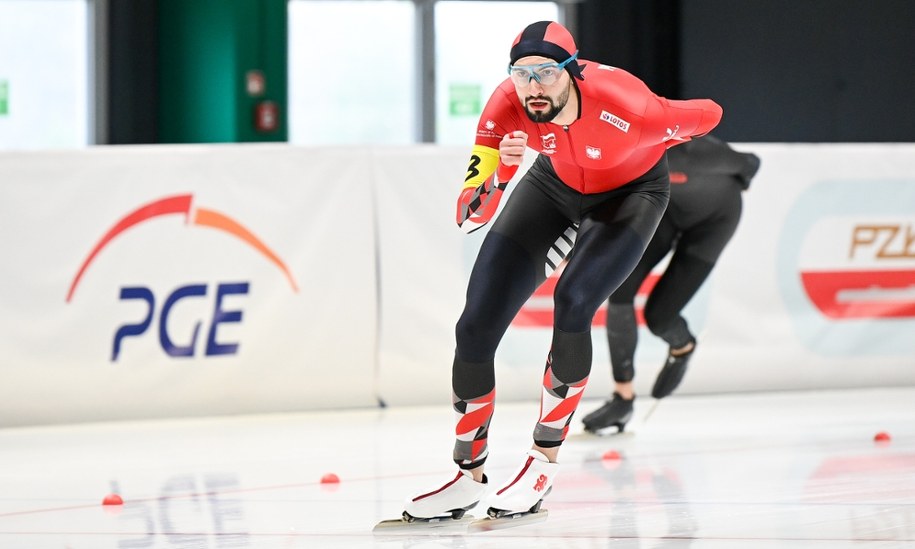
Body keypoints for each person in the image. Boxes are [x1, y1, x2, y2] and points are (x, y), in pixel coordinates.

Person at [401, 20, 722, 522]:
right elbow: (469, 216)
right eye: (522, 74)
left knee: (573, 302)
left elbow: (708, 114)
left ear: (573, 72)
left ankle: (542, 462)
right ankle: (467, 476)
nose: (532, 88)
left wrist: (671, 142)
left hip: (630, 195)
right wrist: (503, 172)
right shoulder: (505, 105)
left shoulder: (629, 106)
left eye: (546, 73)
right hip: (553, 185)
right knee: (474, 325)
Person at [581, 135, 760, 434]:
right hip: (667, 212)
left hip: (714, 223)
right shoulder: (625, 156)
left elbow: (752, 163)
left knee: (659, 317)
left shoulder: (701, 153)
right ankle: (622, 398)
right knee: (619, 288)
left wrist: (741, 183)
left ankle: (683, 346)